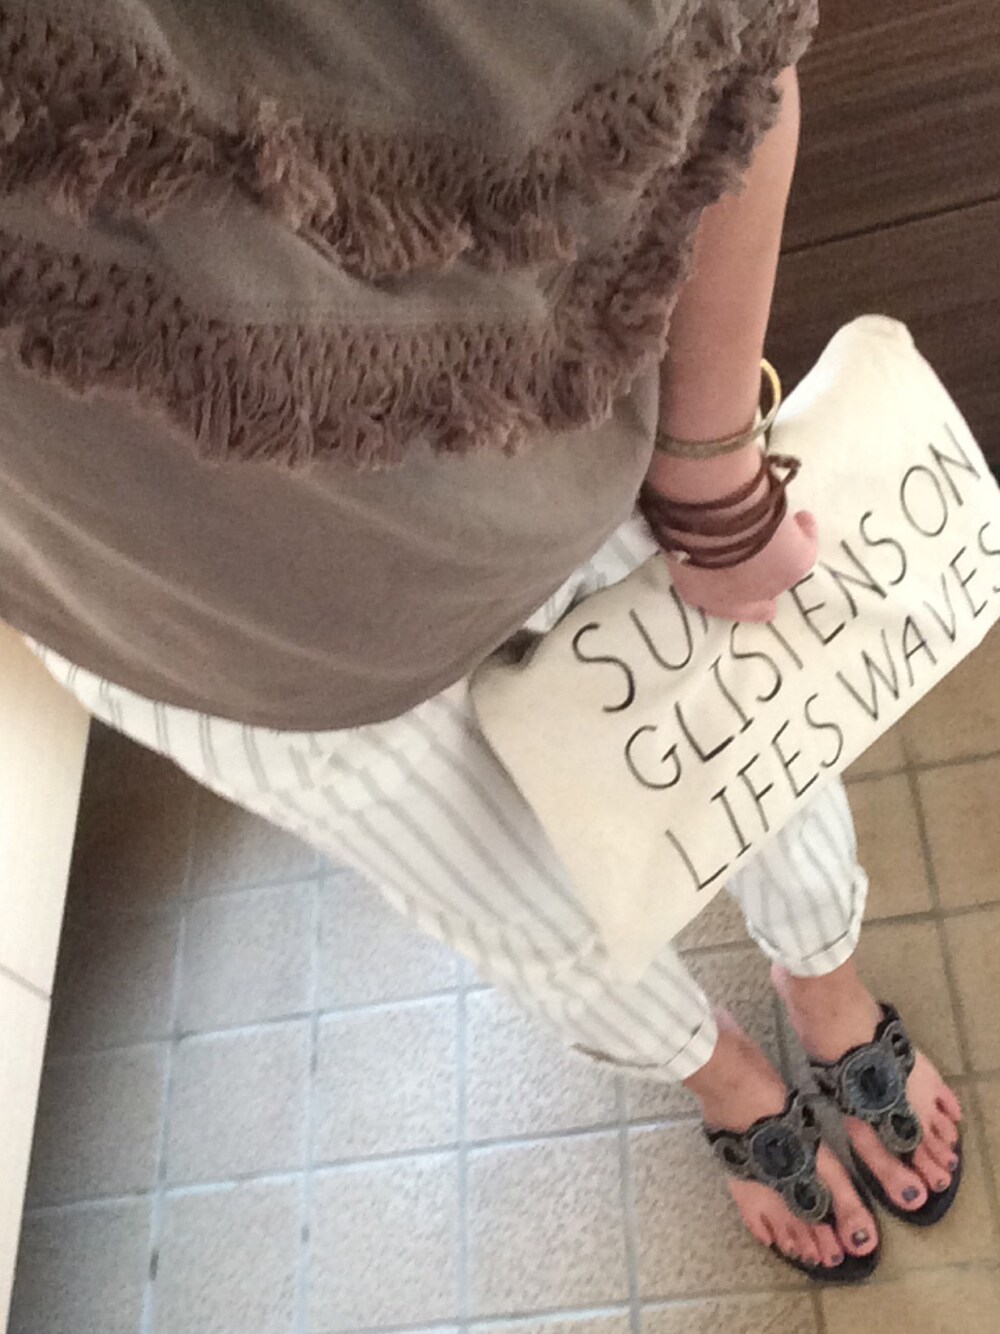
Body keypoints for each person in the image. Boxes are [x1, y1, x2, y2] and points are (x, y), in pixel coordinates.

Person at [0, 0, 962, 1283]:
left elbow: (734, 55)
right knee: (523, 909)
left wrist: (712, 472)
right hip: (195, 636)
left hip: (557, 457)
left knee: (752, 763)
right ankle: (721, 1071)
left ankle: (823, 981)